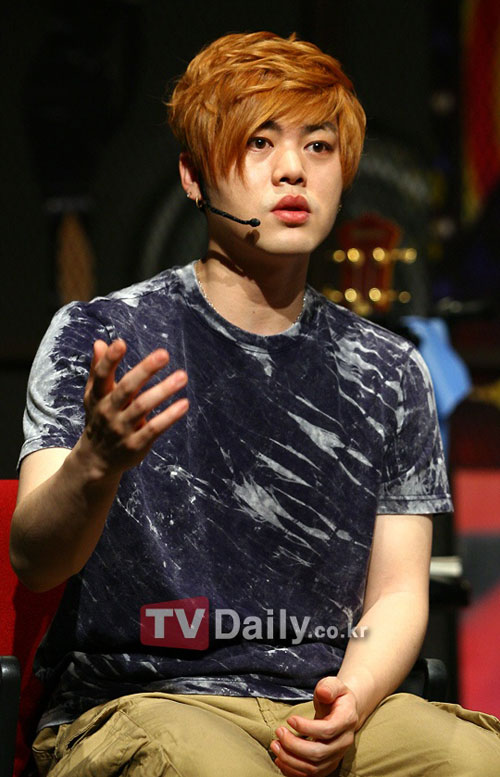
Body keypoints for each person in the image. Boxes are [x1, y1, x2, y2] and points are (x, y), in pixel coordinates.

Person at [10, 30, 500, 777]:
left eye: (318, 146)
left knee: (474, 757)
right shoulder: (100, 334)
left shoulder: (389, 367)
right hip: (147, 697)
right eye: (259, 142)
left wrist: (351, 697)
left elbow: (399, 591)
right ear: (193, 177)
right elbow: (34, 560)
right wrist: (95, 464)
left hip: (320, 698)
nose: (292, 169)